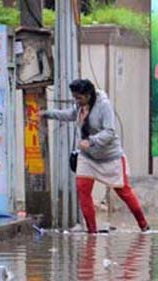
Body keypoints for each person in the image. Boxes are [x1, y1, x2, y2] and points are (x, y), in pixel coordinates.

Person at [42, 79, 150, 234]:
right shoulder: (80, 107)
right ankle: (92, 231)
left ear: (89, 95)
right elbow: (70, 114)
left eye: (79, 98)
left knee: (124, 192)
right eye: (75, 97)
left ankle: (143, 225)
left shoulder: (104, 106)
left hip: (109, 157)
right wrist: (47, 114)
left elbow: (110, 132)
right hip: (88, 157)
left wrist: (91, 141)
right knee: (82, 189)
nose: (77, 101)